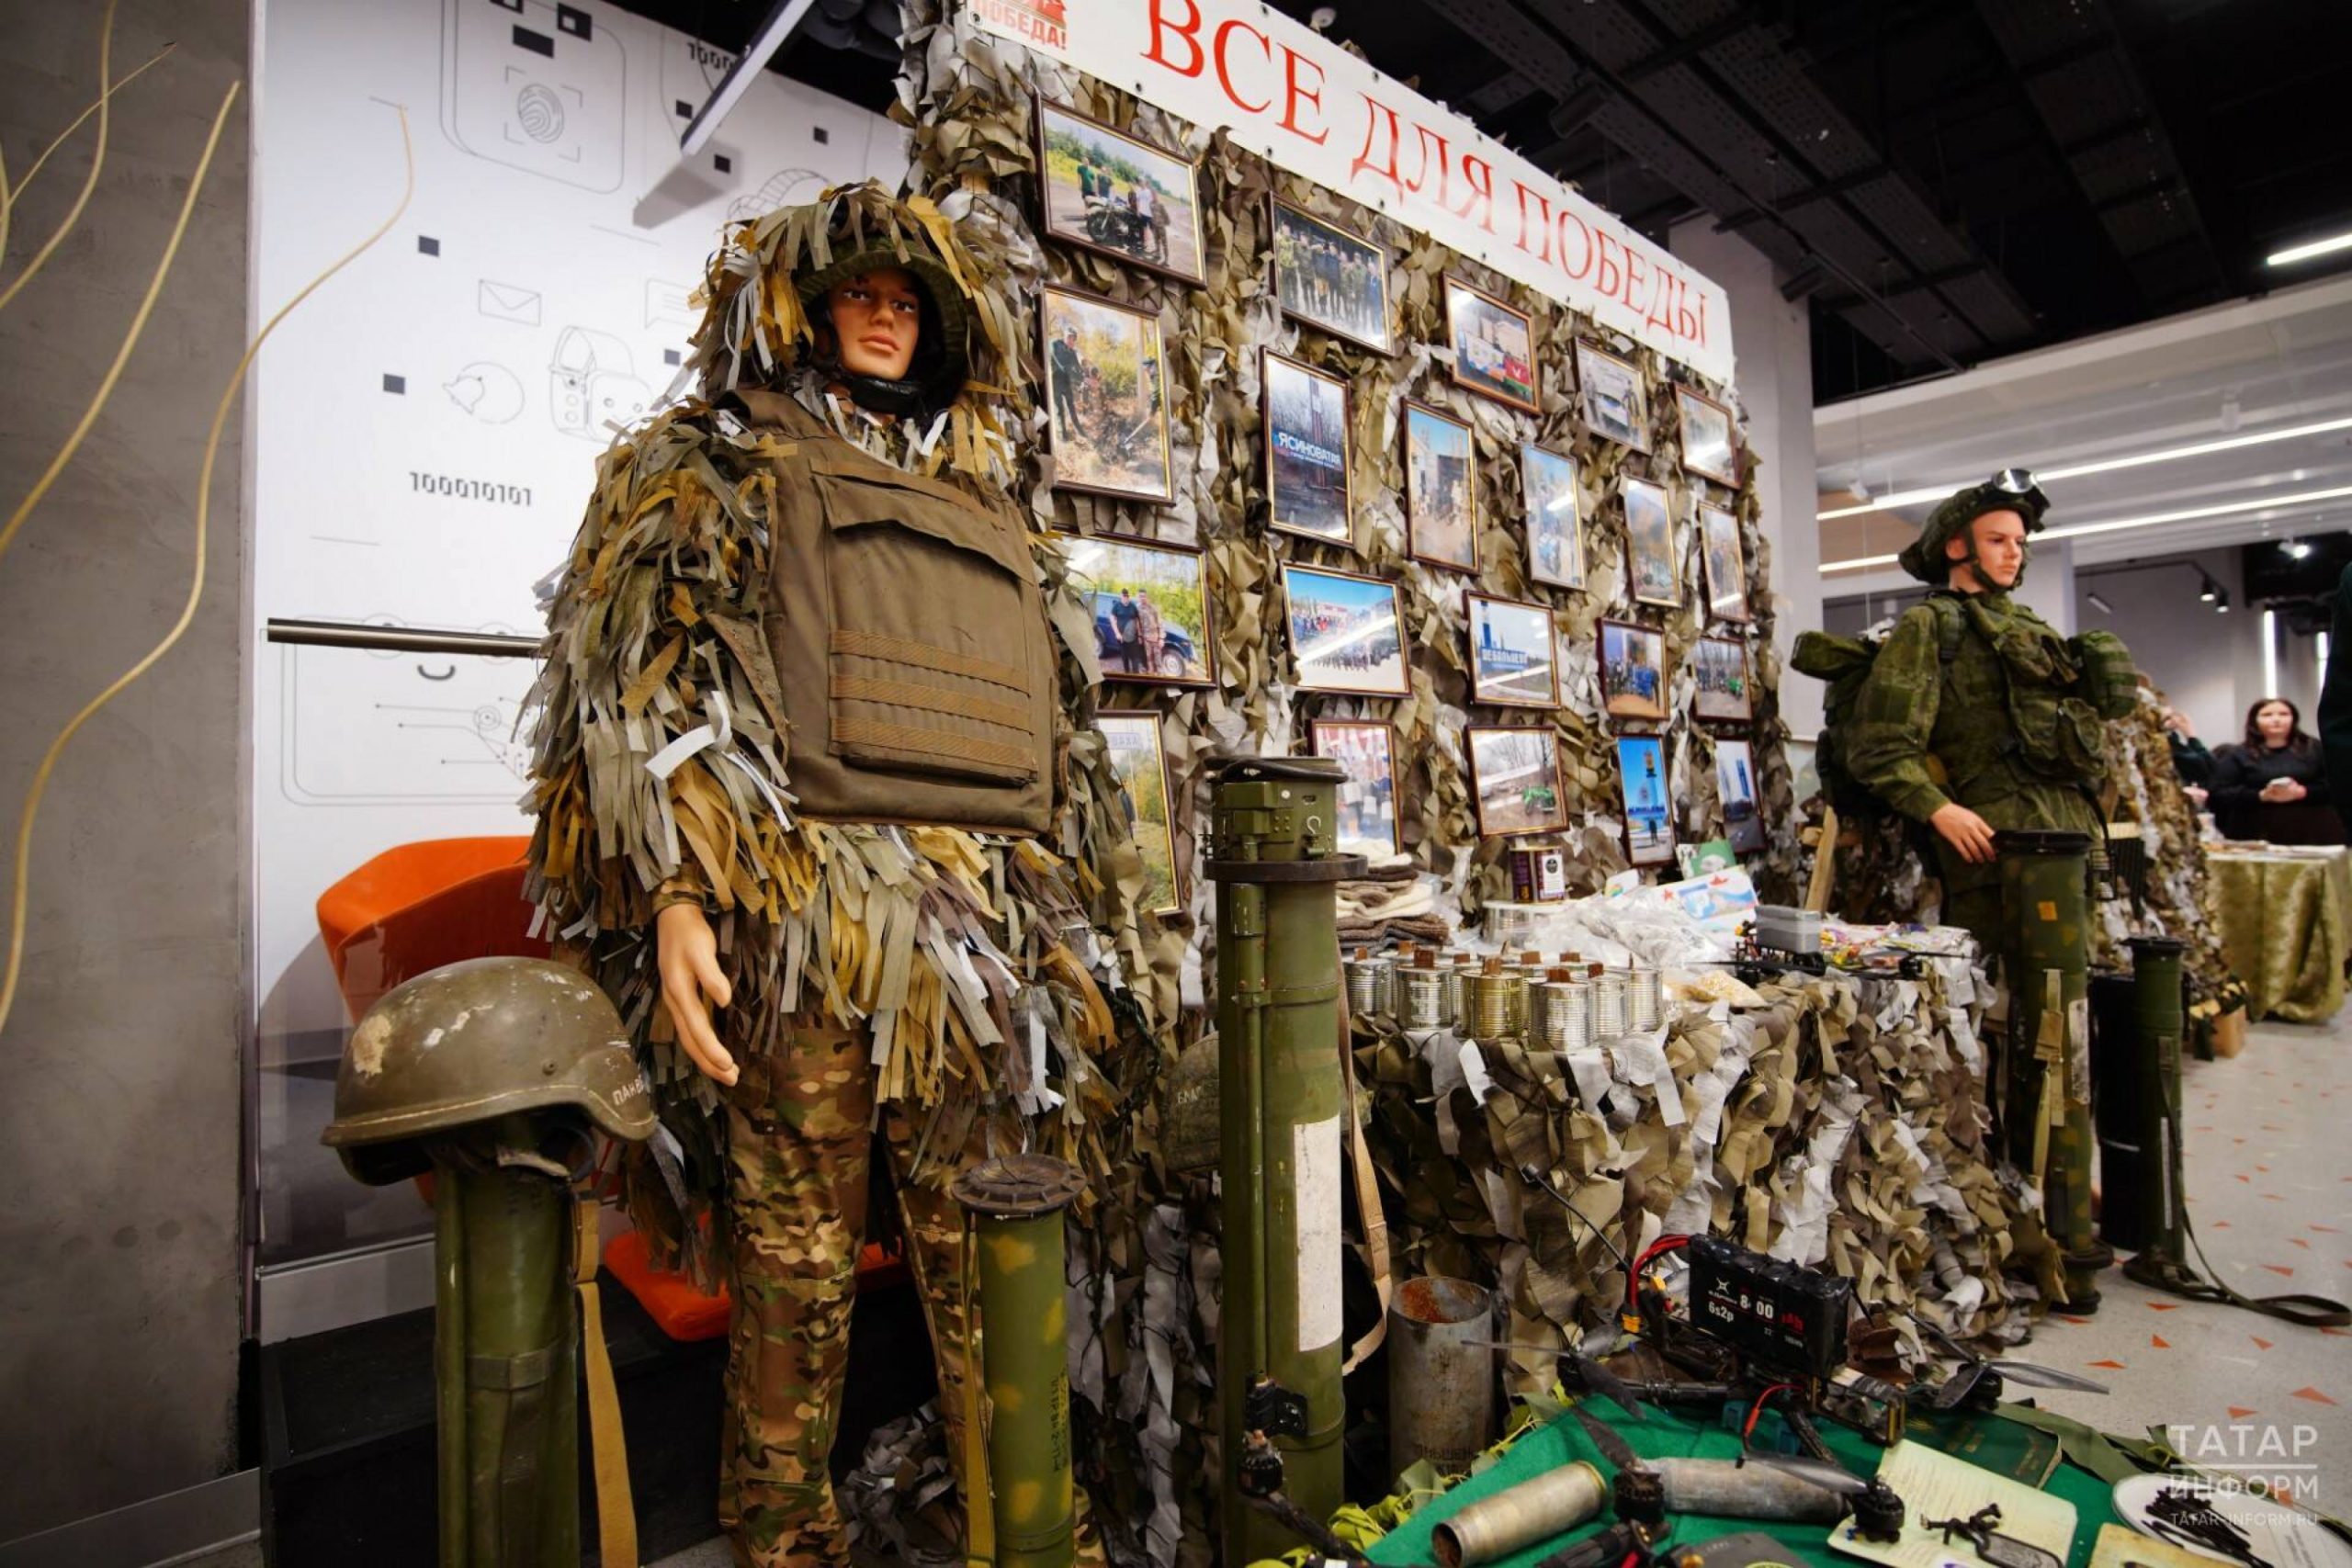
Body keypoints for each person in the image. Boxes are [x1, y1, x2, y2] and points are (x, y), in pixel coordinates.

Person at [527, 182, 1114, 1567]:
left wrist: (1055, 919)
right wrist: (678, 895)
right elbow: (651, 677)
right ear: (799, 306)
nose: (885, 315)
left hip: (970, 947)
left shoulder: (985, 510)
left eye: (908, 300)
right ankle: (785, 1537)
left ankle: (1027, 1526)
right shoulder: (716, 461)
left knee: (992, 1253)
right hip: (803, 929)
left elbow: (1049, 734)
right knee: (794, 1272)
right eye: (860, 291)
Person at [1844, 469, 2138, 949]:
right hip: (1992, 849)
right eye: (1997, 540)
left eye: (2019, 542)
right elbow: (1879, 746)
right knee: (2001, 984)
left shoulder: (2033, 629)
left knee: (2068, 978)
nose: (2013, 552)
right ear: (1957, 547)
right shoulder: (1931, 626)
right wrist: (1939, 810)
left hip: (2068, 838)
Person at [2211, 697, 2342, 844]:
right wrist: (2261, 795)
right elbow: (2218, 792)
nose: (2276, 719)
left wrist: (2302, 792)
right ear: (2254, 720)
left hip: (2314, 829)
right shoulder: (2237, 754)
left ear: (2294, 718)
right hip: (2255, 830)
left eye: (2283, 714)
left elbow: (2338, 785)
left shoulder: (2315, 748)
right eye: (2267, 715)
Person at [2163, 706, 2214, 810]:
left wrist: (2190, 735)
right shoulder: (2167, 746)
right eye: (2168, 718)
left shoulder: (2173, 743)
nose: (2175, 721)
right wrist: (2191, 734)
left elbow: (2212, 767)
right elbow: (2208, 767)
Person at [1050, 321, 1083, 432]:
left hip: (1066, 382)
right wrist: (1083, 379)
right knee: (1059, 409)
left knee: (1071, 406)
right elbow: (1061, 366)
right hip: (1055, 381)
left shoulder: (1073, 353)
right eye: (1069, 337)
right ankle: (1063, 433)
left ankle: (1079, 430)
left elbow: (1078, 368)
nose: (1071, 341)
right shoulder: (1055, 345)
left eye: (1073, 339)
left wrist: (1085, 377)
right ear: (1064, 336)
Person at [1112, 586, 1143, 672]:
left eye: (1127, 596)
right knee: (1125, 657)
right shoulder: (1116, 606)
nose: (1126, 597)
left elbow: (1137, 620)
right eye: (1124, 596)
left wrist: (1139, 635)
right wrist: (1117, 633)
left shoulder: (1133, 606)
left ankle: (1136, 675)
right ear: (1121, 596)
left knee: (1135, 658)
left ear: (1129, 596)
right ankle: (1127, 673)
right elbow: (1112, 619)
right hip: (1122, 638)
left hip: (1133, 638)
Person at [1136, 587, 1166, 674]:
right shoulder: (1138, 609)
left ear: (1146, 597)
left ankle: (1160, 675)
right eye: (1140, 596)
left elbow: (1160, 623)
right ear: (1138, 597)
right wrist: (1140, 636)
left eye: (1143, 596)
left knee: (1158, 660)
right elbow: (1138, 623)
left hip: (1155, 639)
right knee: (1149, 659)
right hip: (1146, 639)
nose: (1142, 598)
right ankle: (1151, 674)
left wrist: (1161, 638)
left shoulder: (1153, 608)